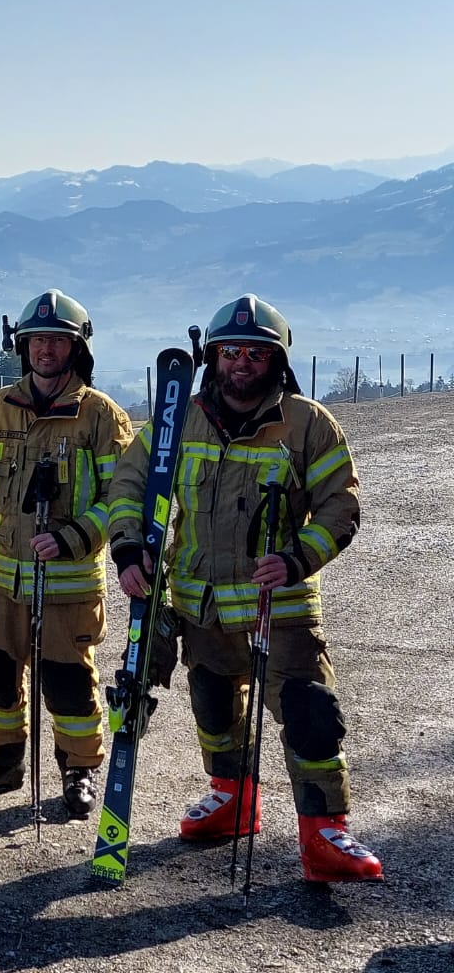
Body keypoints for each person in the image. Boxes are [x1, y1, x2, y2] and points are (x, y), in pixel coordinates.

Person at [107, 293, 383, 882]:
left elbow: (341, 506)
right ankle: (232, 800)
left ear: (277, 361)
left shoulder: (309, 425)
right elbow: (131, 483)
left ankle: (324, 831)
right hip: (197, 603)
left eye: (255, 354)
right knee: (211, 705)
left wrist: (298, 557)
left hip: (278, 606)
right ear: (212, 357)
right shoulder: (178, 419)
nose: (241, 364)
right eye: (229, 352)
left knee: (309, 712)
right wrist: (129, 547)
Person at [0, 290, 133, 819]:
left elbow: (120, 502)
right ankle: (4, 762)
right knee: (0, 676)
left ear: (76, 348)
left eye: (57, 340)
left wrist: (72, 538)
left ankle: (78, 769)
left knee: (69, 681)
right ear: (21, 345)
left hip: (70, 581)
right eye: (37, 340)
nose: (46, 350)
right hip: (3, 579)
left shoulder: (102, 418)